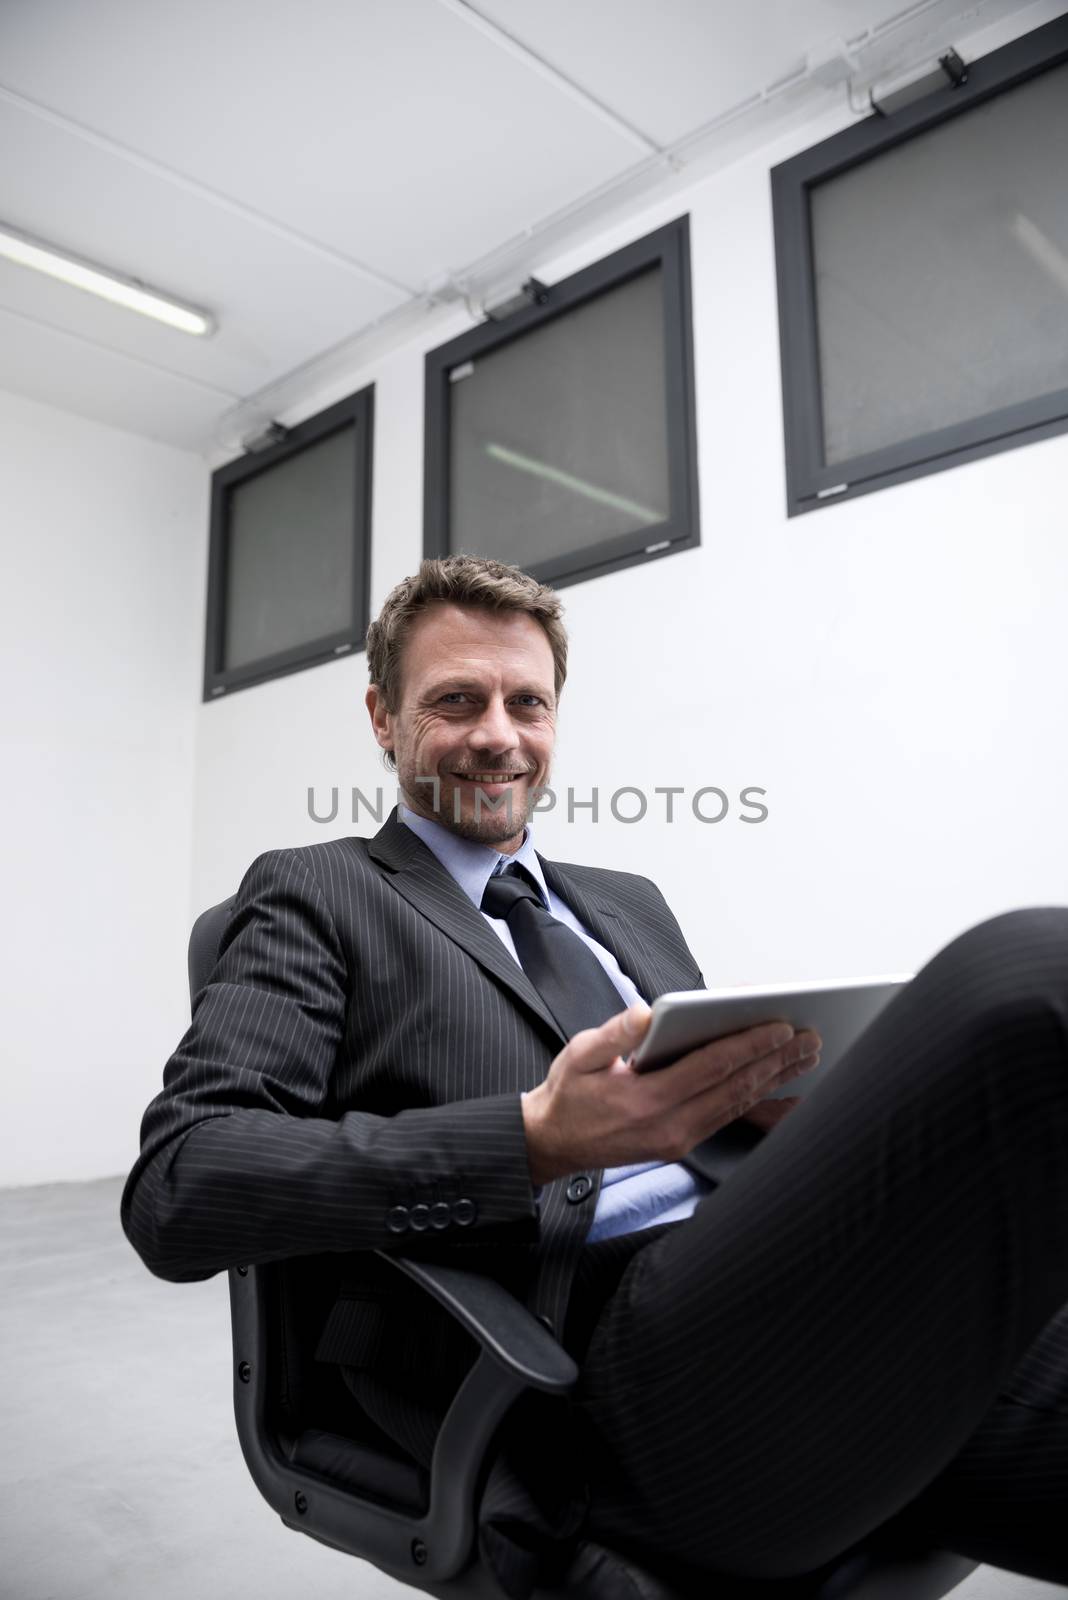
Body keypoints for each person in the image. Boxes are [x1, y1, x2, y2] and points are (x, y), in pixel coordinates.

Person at [122, 555, 1068, 1598]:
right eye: (455, 700)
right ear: (384, 718)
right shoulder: (319, 892)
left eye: (527, 701)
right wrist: (533, 1137)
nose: (498, 733)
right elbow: (181, 1182)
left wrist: (779, 1109)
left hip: (782, 1285)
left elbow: (704, 1126)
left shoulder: (630, 901)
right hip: (605, 1360)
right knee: (1028, 979)